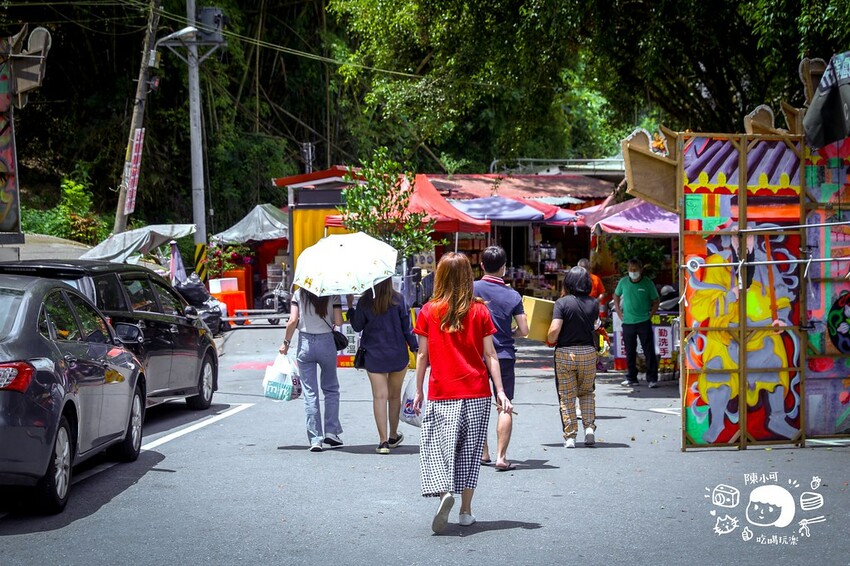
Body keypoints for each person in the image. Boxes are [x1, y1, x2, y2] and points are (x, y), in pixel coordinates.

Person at [413, 252, 513, 533]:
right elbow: (491, 354)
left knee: (438, 447)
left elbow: (422, 355)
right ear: (468, 276)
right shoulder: (479, 310)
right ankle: (466, 511)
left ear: (440, 277)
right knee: (469, 453)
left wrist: (418, 389)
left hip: (442, 390)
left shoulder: (428, 311)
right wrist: (500, 391)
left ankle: (444, 491)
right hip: (477, 390)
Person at [347, 278, 418, 454]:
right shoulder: (398, 299)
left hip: (374, 355)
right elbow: (407, 328)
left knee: (379, 397)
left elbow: (357, 326)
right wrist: (415, 348)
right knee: (394, 397)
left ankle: (383, 441)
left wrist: (350, 307)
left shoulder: (365, 301)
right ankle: (393, 435)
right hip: (397, 354)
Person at [473, 245, 528, 471]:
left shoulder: (471, 288)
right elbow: (524, 329)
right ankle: (501, 457)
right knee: (503, 404)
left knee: (477, 404)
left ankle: (483, 453)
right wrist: (509, 332)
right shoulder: (513, 295)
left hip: (475, 354)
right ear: (504, 268)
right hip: (503, 354)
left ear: (482, 265)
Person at [279, 288, 344, 452]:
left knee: (310, 393)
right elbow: (339, 321)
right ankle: (331, 432)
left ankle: (315, 439)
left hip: (305, 343)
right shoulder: (333, 293)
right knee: (331, 389)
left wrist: (286, 343)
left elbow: (293, 320)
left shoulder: (298, 294)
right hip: (327, 342)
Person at [546, 266, 600, 448]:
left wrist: (549, 339)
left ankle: (570, 437)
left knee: (567, 396)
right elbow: (596, 326)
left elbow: (554, 329)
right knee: (587, 392)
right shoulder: (594, 303)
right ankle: (589, 429)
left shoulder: (562, 303)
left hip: (565, 354)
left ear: (568, 282)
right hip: (588, 352)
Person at [613, 259, 660, 388]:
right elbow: (616, 295)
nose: (632, 272)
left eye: (635, 270)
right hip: (628, 322)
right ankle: (632, 377)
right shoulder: (623, 282)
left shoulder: (647, 283)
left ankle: (652, 378)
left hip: (644, 322)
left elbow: (656, 300)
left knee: (648, 350)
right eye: (630, 270)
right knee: (629, 351)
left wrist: (651, 314)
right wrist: (618, 311)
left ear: (641, 270)